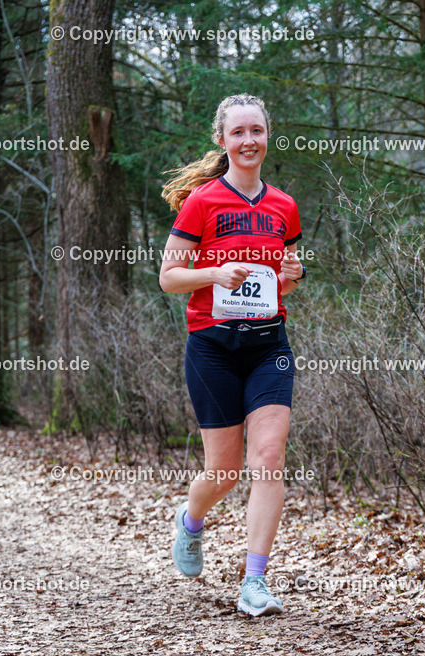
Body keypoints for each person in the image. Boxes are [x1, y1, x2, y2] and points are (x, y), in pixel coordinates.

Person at [159, 93, 306, 617]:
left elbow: (284, 279)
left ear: (268, 136)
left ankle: (254, 582)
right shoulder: (202, 202)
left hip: (269, 346)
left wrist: (293, 275)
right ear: (221, 140)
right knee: (223, 472)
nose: (248, 140)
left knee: (268, 458)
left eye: (256, 131)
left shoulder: (284, 206)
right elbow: (169, 277)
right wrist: (214, 274)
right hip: (213, 347)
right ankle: (191, 521)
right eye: (238, 132)